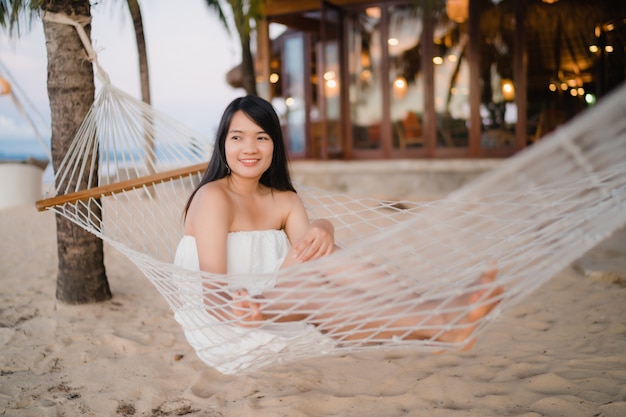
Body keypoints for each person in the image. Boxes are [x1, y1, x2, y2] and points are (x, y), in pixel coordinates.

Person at [174, 95, 501, 373]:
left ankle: (438, 316)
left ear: (275, 144)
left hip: (272, 304)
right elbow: (213, 297)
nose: (250, 147)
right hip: (225, 322)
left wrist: (323, 226)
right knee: (315, 287)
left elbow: (316, 255)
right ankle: (439, 318)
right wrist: (243, 313)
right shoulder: (214, 198)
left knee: (321, 256)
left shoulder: (284, 200)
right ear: (222, 144)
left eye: (261, 137)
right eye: (237, 137)